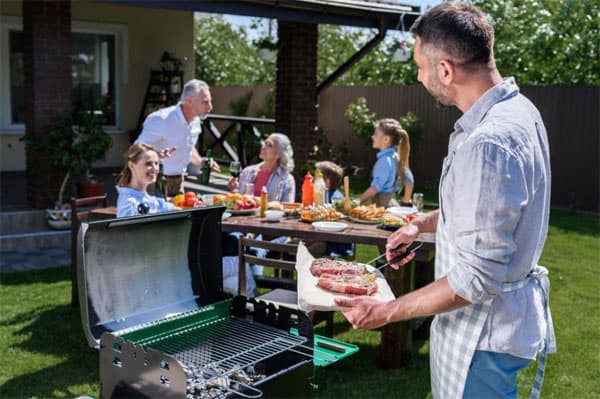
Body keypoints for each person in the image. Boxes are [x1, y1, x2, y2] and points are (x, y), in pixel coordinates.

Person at [335, 3, 555, 399]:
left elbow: (476, 278)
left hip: (482, 337)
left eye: (420, 66)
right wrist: (420, 225)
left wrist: (388, 311)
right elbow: (486, 208)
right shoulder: (520, 111)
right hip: (495, 329)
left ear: (446, 70)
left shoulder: (489, 142)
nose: (419, 76)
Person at [135, 79, 220, 197]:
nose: (210, 107)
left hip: (179, 182)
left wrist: (200, 162)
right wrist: (157, 157)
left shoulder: (195, 121)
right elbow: (136, 151)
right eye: (205, 102)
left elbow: (188, 146)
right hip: (155, 183)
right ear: (189, 101)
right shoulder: (161, 119)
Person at [358, 118, 413, 207]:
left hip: (383, 208)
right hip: (393, 206)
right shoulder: (397, 157)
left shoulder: (384, 161)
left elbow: (375, 188)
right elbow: (409, 179)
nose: (372, 137)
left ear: (386, 139)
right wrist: (405, 201)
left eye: (376, 134)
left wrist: (358, 202)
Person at [227, 133, 296, 202]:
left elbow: (288, 207)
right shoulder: (248, 171)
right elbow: (237, 201)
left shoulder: (287, 180)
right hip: (244, 212)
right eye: (264, 143)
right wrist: (233, 190)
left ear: (278, 154)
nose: (263, 146)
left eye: (269, 145)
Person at [116, 143, 179, 217]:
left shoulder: (147, 198)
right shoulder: (130, 203)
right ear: (131, 165)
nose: (155, 168)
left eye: (156, 163)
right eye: (148, 164)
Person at [314, 161, 354, 259]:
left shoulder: (329, 200)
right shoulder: (337, 196)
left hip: (333, 246)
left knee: (296, 251)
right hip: (331, 242)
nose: (313, 180)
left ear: (326, 182)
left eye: (316, 177)